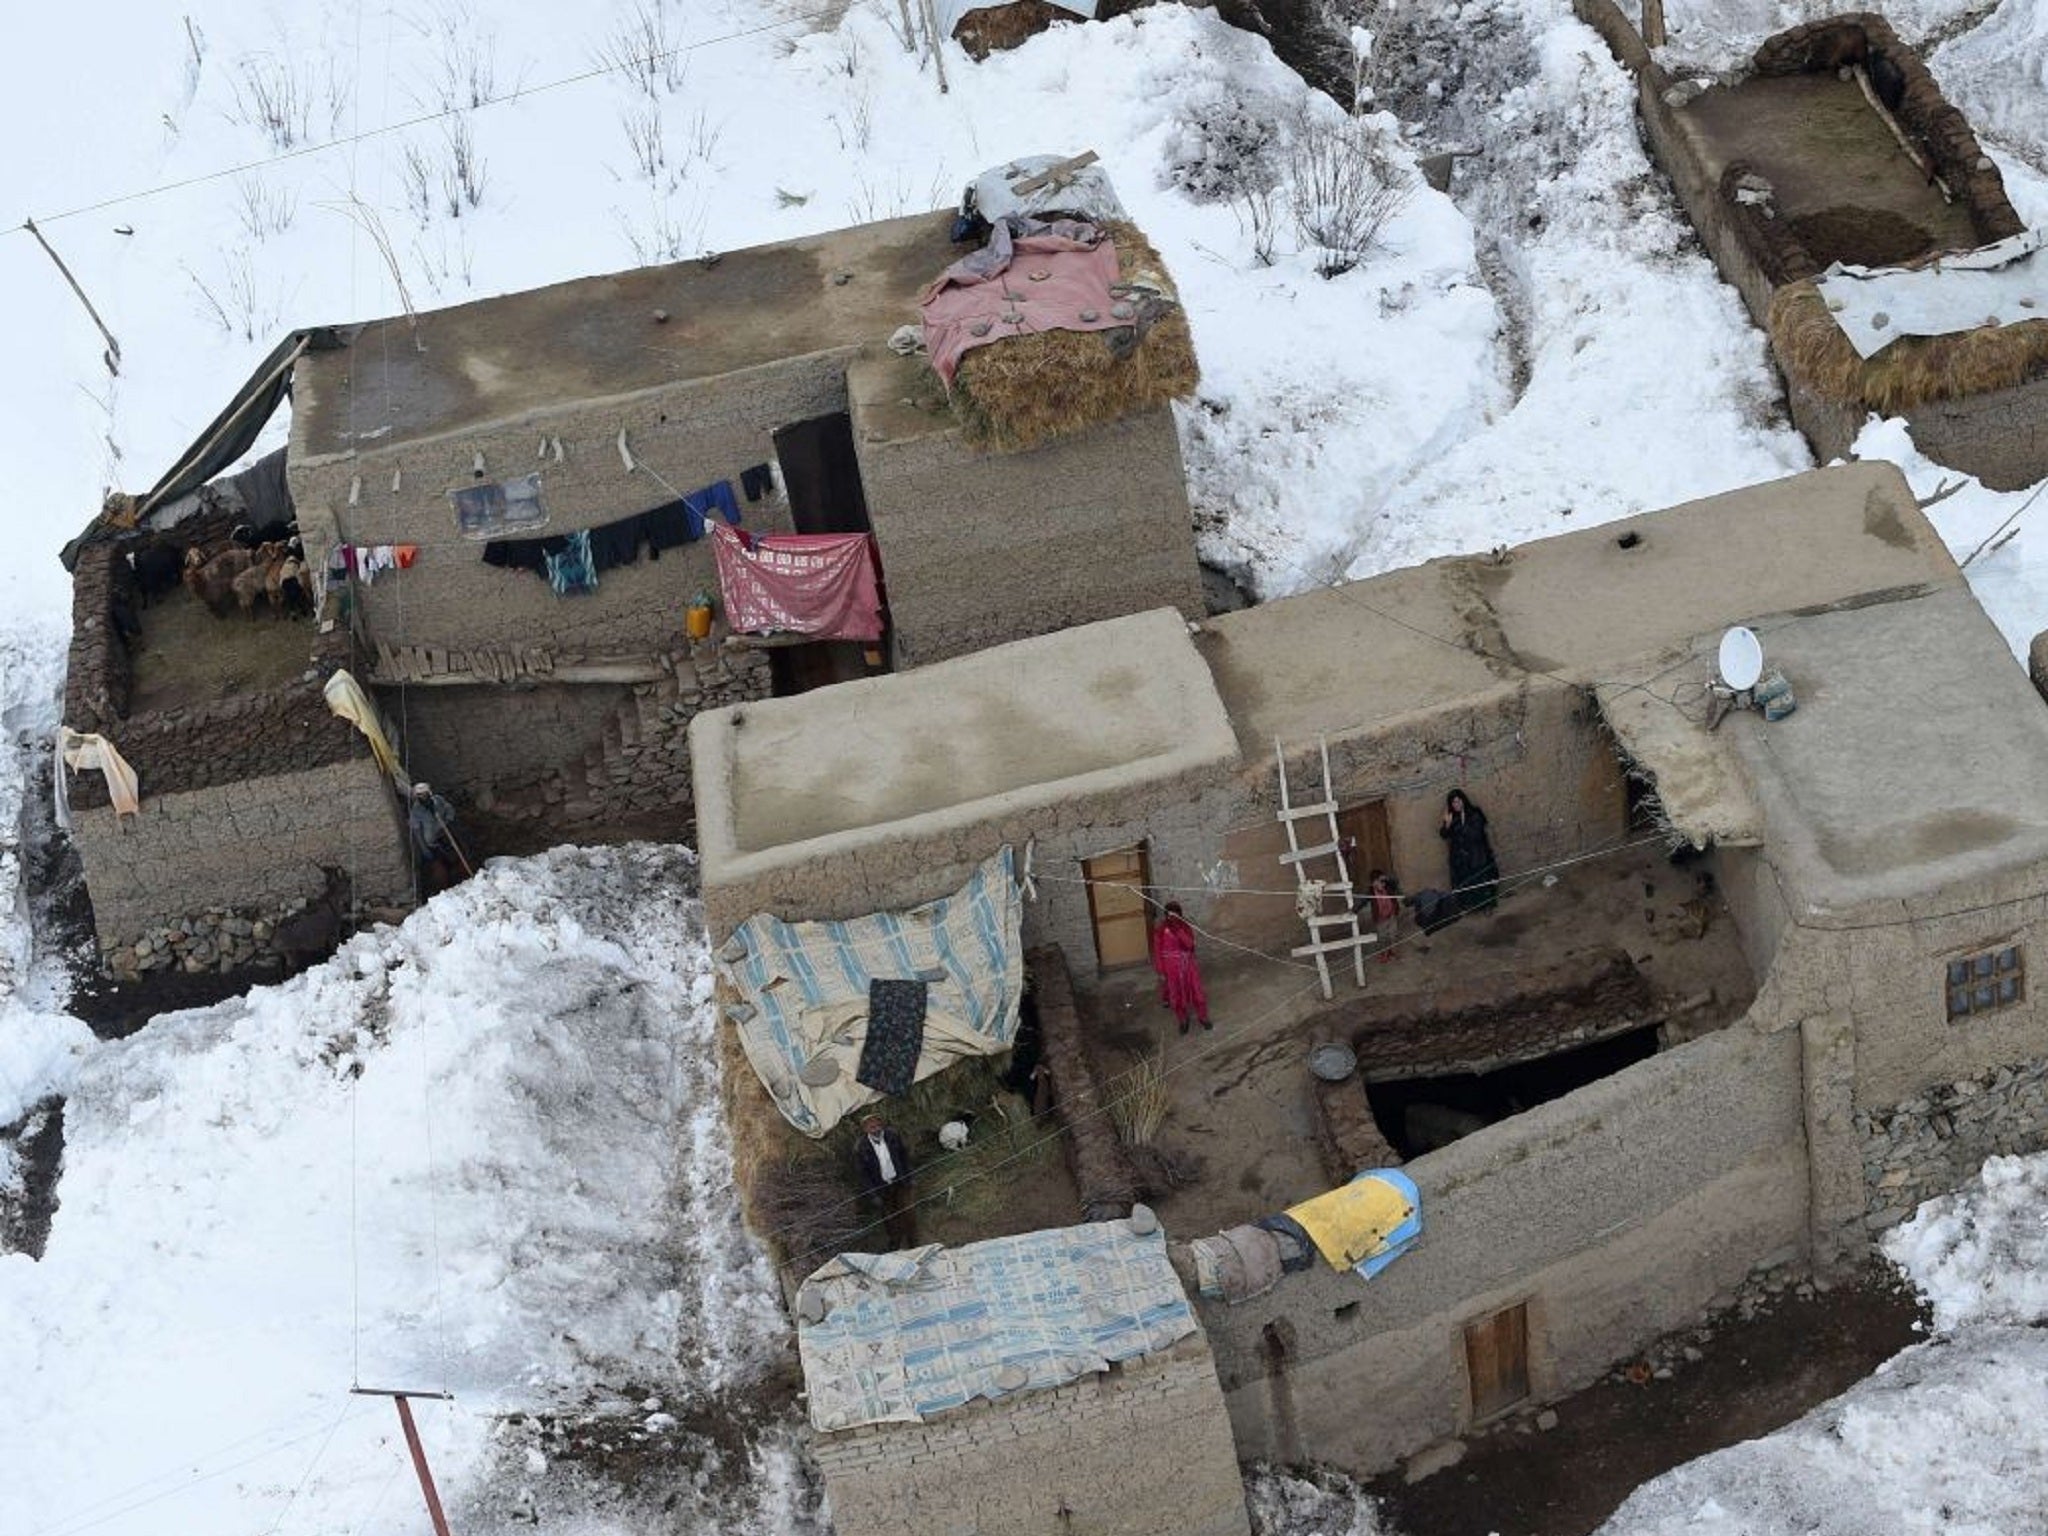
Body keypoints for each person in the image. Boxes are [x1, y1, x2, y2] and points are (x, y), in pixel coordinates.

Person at [853, 1112, 918, 1249]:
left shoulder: (892, 1136)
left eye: (877, 1125)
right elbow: (863, 1175)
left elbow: (904, 1157)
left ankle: (913, 1242)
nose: (875, 1129)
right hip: (882, 1188)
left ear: (881, 1125)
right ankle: (895, 1243)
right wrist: (873, 1195)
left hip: (900, 1182)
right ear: (865, 1129)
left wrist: (910, 1177)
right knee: (889, 1218)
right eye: (871, 1127)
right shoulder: (861, 1147)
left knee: (908, 1212)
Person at [1151, 900, 1212, 1035]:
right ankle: (1182, 1020)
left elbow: (1190, 945)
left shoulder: (1185, 927)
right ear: (1166, 916)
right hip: (1171, 968)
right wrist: (1161, 971)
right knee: (1176, 995)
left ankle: (1203, 1017)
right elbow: (1157, 952)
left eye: (1175, 915)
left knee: (1197, 992)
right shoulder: (1160, 931)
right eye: (1169, 915)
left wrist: (1178, 930)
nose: (1172, 918)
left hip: (1188, 965)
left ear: (1180, 915)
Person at [1439, 789, 1500, 915]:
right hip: (1461, 857)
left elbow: (1476, 833)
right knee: (1467, 883)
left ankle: (1487, 906)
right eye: (1453, 803)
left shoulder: (1474, 813)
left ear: (1463, 800)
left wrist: (1461, 828)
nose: (1456, 805)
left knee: (1482, 880)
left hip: (1477, 853)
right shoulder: (1451, 817)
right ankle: (1472, 906)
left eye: (1458, 801)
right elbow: (1444, 835)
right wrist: (1447, 825)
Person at [408, 781, 462, 895]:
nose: (423, 797)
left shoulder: (438, 801)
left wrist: (447, 821)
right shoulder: (416, 812)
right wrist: (425, 850)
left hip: (447, 835)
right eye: (420, 795)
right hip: (433, 843)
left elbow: (449, 810)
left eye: (424, 794)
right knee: (440, 868)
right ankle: (445, 891)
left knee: (456, 858)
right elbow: (417, 832)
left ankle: (461, 881)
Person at [1364, 869, 1403, 962]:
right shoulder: (1371, 892)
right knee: (1382, 937)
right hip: (1380, 919)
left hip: (1391, 916)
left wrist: (1386, 878)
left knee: (1393, 934)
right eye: (1380, 882)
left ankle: (1393, 951)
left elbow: (1395, 882)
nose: (1383, 884)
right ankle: (1384, 953)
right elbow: (1362, 901)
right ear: (1374, 883)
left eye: (1384, 882)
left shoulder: (1389, 888)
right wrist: (1354, 910)